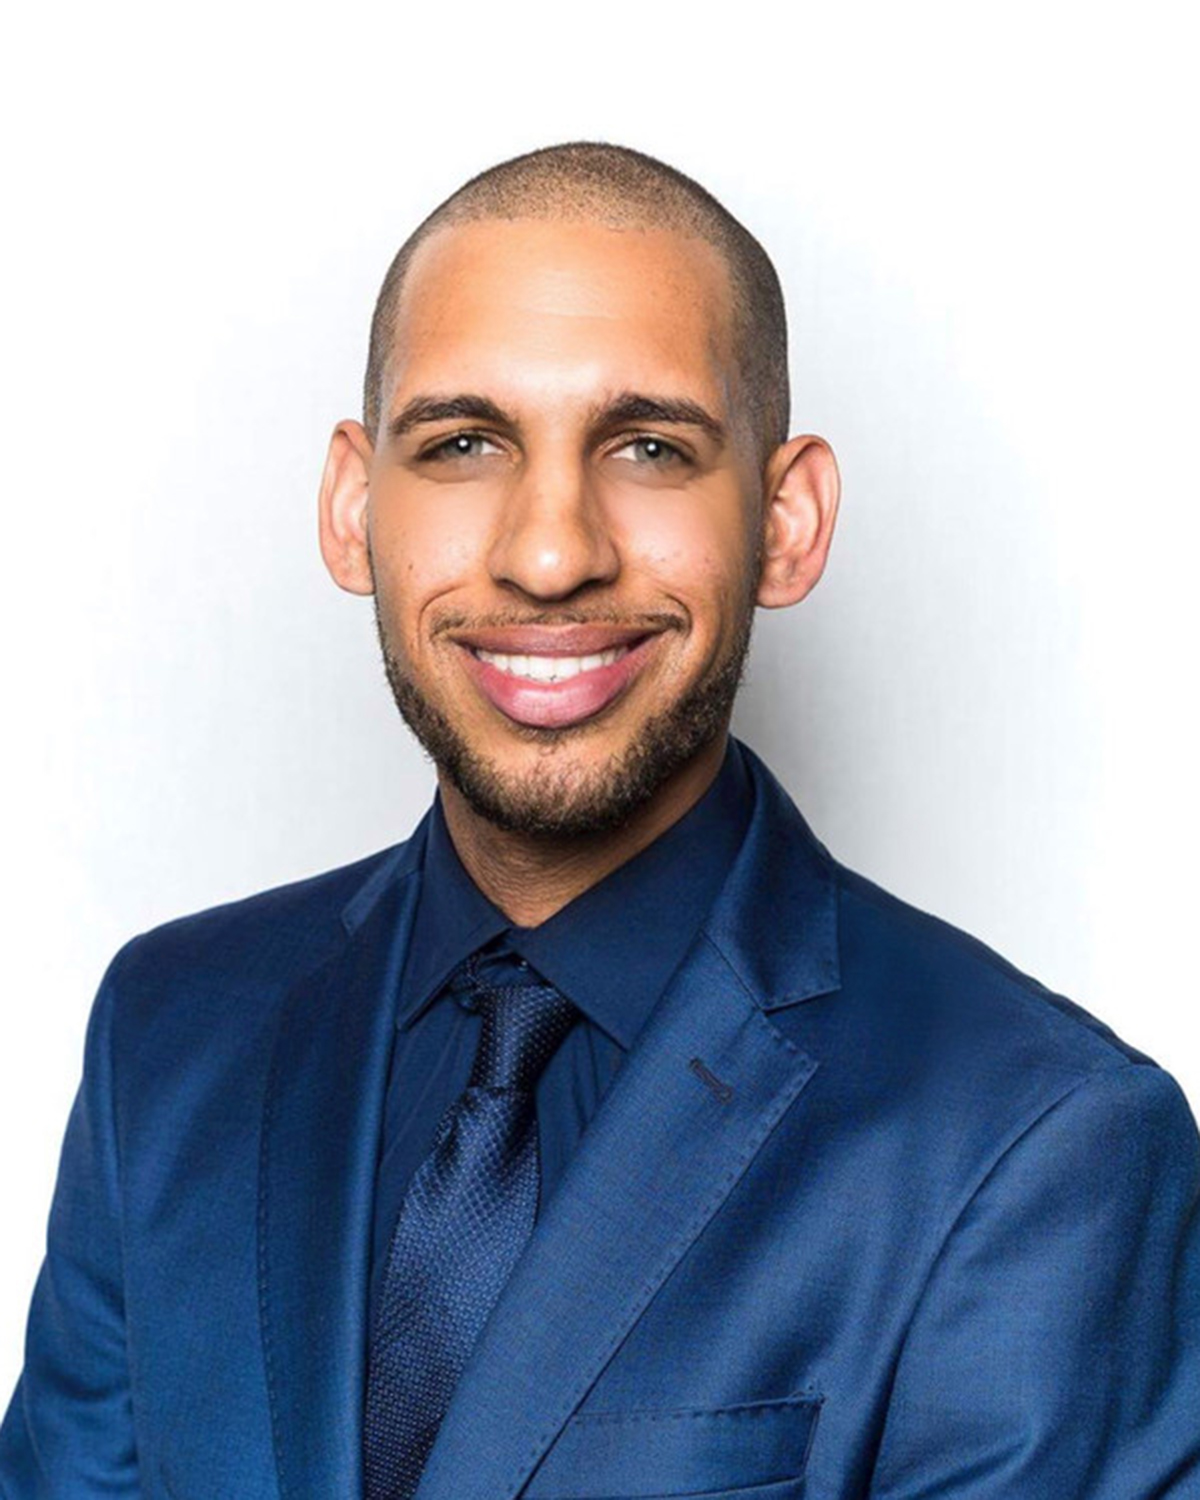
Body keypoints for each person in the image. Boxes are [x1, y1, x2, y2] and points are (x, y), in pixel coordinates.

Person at [1, 140, 1196, 1500]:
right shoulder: (169, 1034)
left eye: (648, 448)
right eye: (463, 444)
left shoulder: (1039, 1142)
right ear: (353, 506)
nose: (552, 552)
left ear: (786, 520)